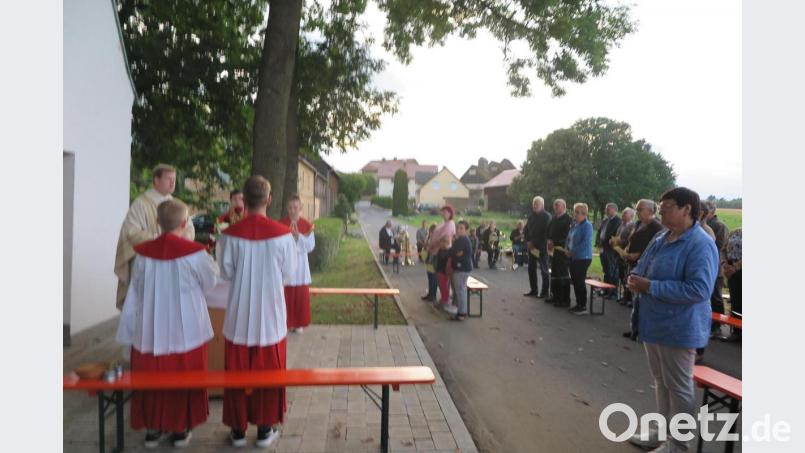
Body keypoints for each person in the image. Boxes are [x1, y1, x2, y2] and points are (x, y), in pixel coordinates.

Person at [116, 199, 218, 449]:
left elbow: (137, 289)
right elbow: (211, 280)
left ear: (157, 223)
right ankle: (180, 428)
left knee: (151, 375)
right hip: (186, 330)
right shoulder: (195, 253)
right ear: (185, 224)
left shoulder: (142, 255)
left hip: (150, 329)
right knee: (184, 376)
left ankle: (154, 428)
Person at [626, 187, 719, 453]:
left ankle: (678, 444)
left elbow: (699, 290)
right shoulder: (662, 236)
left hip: (679, 327)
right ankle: (660, 432)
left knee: (679, 387)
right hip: (653, 323)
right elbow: (643, 265)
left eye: (666, 206)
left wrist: (651, 287)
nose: (660, 210)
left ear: (686, 209)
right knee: (660, 380)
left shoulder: (700, 244)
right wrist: (634, 277)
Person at [218, 175, 297, 448]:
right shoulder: (284, 236)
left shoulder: (229, 236)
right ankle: (265, 429)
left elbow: (226, 272)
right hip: (270, 316)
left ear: (244, 201)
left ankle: (238, 431)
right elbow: (289, 274)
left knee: (237, 373)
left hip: (239, 315)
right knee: (270, 373)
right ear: (269, 200)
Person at [114, 164, 195, 309]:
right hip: (148, 266)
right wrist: (161, 239)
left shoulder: (178, 205)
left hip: (174, 264)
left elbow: (189, 229)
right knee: (147, 308)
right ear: (156, 181)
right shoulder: (141, 204)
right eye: (168, 179)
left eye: (174, 179)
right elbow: (131, 232)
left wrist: (180, 239)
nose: (173, 183)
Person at [622, 199, 665, 339]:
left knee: (643, 301)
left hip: (646, 268)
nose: (637, 212)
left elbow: (655, 248)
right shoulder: (639, 224)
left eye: (640, 209)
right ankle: (635, 329)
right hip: (634, 264)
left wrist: (639, 255)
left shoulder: (657, 227)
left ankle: (642, 331)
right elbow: (632, 240)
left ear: (651, 211)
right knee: (636, 301)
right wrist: (627, 250)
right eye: (637, 209)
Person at [279, 194, 315, 334]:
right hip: (285, 265)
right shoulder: (280, 224)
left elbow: (311, 246)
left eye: (295, 207)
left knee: (300, 296)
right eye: (290, 207)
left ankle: (299, 323)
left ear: (301, 208)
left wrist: (298, 236)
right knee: (286, 296)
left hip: (300, 266)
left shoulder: (307, 225)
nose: (292, 210)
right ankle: (287, 323)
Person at [567, 203, 593, 315]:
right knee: (575, 281)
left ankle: (583, 306)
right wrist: (566, 248)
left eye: (578, 212)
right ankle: (578, 303)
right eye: (575, 212)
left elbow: (585, 243)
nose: (575, 214)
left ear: (584, 214)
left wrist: (572, 251)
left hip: (583, 257)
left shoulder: (587, 226)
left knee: (579, 281)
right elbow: (568, 238)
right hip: (573, 257)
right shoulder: (575, 224)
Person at [546, 199, 573, 307]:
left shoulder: (568, 220)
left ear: (564, 207)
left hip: (562, 251)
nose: (555, 207)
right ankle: (555, 296)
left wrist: (555, 242)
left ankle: (565, 299)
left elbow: (567, 236)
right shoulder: (553, 219)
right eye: (554, 205)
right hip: (553, 251)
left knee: (563, 275)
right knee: (554, 275)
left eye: (557, 205)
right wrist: (548, 240)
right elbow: (548, 231)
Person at [524, 196, 552, 298]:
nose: (535, 206)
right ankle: (534, 290)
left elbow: (545, 233)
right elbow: (526, 230)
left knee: (544, 270)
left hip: (542, 248)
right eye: (534, 204)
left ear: (542, 205)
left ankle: (544, 292)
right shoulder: (531, 216)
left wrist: (533, 242)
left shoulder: (547, 217)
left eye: (537, 204)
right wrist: (528, 241)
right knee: (531, 268)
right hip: (532, 248)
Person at [595, 202, 621, 298]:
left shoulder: (618, 221)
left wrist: (604, 242)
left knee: (612, 271)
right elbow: (599, 232)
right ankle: (605, 289)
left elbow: (613, 234)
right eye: (606, 209)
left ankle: (612, 292)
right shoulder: (605, 220)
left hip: (611, 250)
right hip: (603, 248)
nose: (606, 210)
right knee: (606, 270)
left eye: (608, 209)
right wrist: (598, 241)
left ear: (614, 210)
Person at [449, 221, 473, 321]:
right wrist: (454, 252)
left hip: (462, 268)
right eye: (457, 227)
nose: (458, 230)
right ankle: (461, 311)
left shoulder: (463, 240)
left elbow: (453, 252)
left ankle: (462, 313)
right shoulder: (460, 239)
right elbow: (454, 252)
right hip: (460, 268)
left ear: (466, 230)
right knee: (460, 290)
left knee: (460, 291)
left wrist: (454, 252)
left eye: (461, 228)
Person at [613, 207, 636, 304]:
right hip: (618, 253)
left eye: (625, 214)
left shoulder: (633, 226)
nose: (622, 215)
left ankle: (629, 298)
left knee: (628, 276)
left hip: (626, 253)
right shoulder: (621, 225)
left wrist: (619, 242)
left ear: (631, 215)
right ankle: (624, 297)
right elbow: (618, 236)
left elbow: (629, 240)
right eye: (622, 213)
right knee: (622, 276)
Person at [723, 228, 742, 340]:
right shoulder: (735, 232)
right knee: (735, 301)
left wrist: (735, 267)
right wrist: (725, 265)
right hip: (731, 270)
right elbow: (724, 248)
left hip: (740, 269)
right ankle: (736, 331)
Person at [421, 224, 438, 301]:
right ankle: (429, 294)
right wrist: (425, 246)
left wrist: (428, 247)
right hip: (428, 261)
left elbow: (435, 250)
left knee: (434, 279)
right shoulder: (428, 239)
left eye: (433, 232)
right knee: (430, 279)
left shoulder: (436, 240)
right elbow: (425, 248)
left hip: (434, 262)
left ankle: (433, 296)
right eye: (430, 232)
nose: (431, 233)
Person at [435, 236, 452, 308]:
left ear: (447, 243)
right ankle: (443, 299)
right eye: (441, 242)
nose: (442, 244)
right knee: (441, 287)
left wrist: (448, 273)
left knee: (444, 287)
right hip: (439, 271)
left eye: (444, 242)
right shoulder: (440, 250)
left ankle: (445, 300)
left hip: (444, 273)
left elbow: (449, 264)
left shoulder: (448, 252)